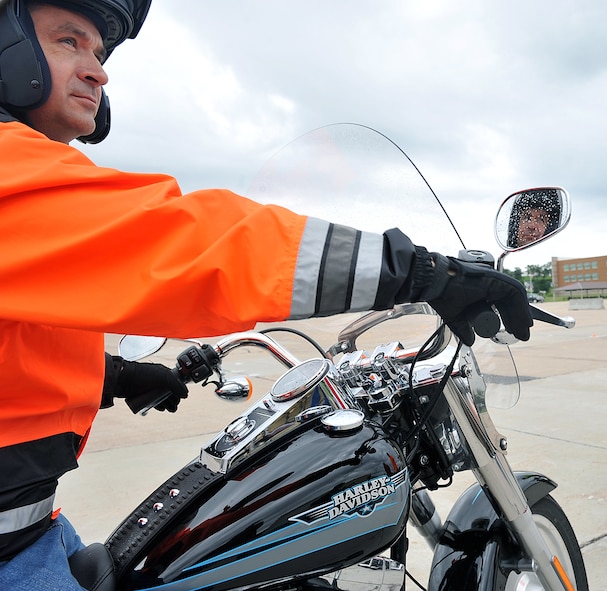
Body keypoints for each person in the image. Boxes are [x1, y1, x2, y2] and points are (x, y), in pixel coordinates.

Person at [0, 1, 533, 588]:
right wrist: (423, 273)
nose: (98, 70)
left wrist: (117, 378)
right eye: (68, 42)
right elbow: (192, 244)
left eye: (99, 53)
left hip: (30, 529)